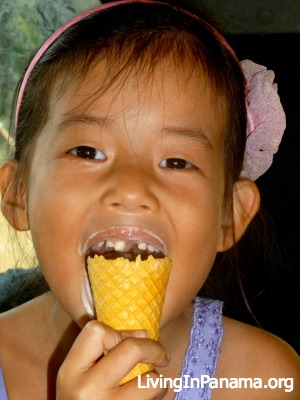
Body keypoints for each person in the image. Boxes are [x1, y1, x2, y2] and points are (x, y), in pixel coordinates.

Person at [0, 0, 299, 398]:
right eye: (88, 152)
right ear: (18, 194)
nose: (131, 188)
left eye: (176, 161)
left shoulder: (265, 378)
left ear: (229, 216)